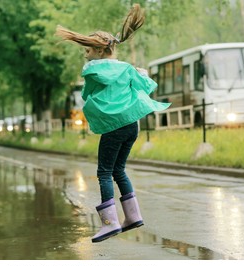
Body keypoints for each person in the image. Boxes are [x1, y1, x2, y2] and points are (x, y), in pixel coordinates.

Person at [55, 4, 171, 243]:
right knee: (119, 170)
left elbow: (87, 96)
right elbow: (148, 87)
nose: (85, 54)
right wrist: (143, 73)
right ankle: (133, 216)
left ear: (98, 51)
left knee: (104, 171)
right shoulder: (128, 69)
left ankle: (110, 223)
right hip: (132, 125)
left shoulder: (92, 71)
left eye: (87, 50)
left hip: (113, 127)